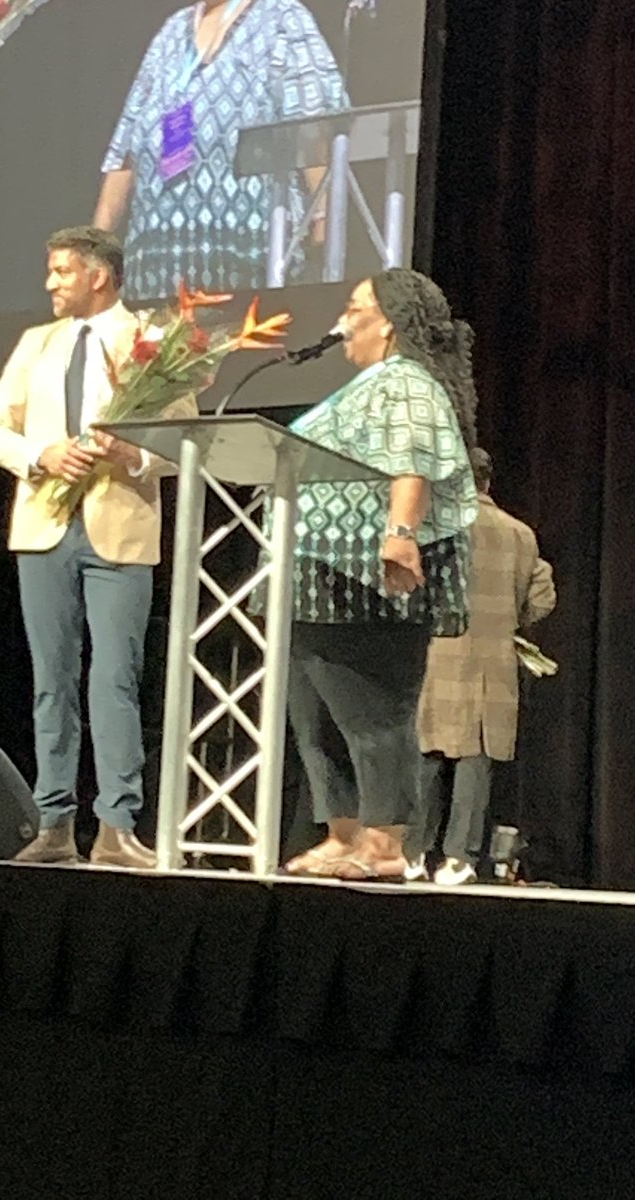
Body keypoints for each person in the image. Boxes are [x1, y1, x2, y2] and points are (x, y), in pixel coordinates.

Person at [0, 226, 197, 869]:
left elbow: (183, 440)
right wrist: (39, 455)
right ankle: (52, 824)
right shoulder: (35, 344)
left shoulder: (150, 343)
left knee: (115, 680)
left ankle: (116, 826)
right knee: (52, 679)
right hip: (44, 526)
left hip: (119, 529)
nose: (51, 284)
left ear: (97, 276)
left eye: (61, 272)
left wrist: (134, 455)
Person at [280, 267, 479, 880]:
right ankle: (344, 833)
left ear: (389, 323)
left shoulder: (409, 384)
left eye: (354, 307)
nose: (343, 319)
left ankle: (387, 842)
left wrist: (400, 536)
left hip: (370, 577)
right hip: (321, 572)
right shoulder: (370, 383)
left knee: (371, 711)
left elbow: (411, 462)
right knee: (315, 717)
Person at [93, 0, 346, 300]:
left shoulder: (282, 17)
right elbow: (126, 147)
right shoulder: (171, 32)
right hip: (156, 262)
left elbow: (313, 125)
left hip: (245, 256)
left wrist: (323, 219)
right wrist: (96, 247)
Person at [404, 448, 557, 885]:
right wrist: (510, 617)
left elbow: (408, 590)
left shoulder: (436, 528)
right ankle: (460, 859)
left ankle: (413, 854)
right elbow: (543, 598)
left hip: (437, 651)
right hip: (493, 660)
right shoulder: (521, 534)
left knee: (427, 751)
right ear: (488, 482)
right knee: (477, 754)